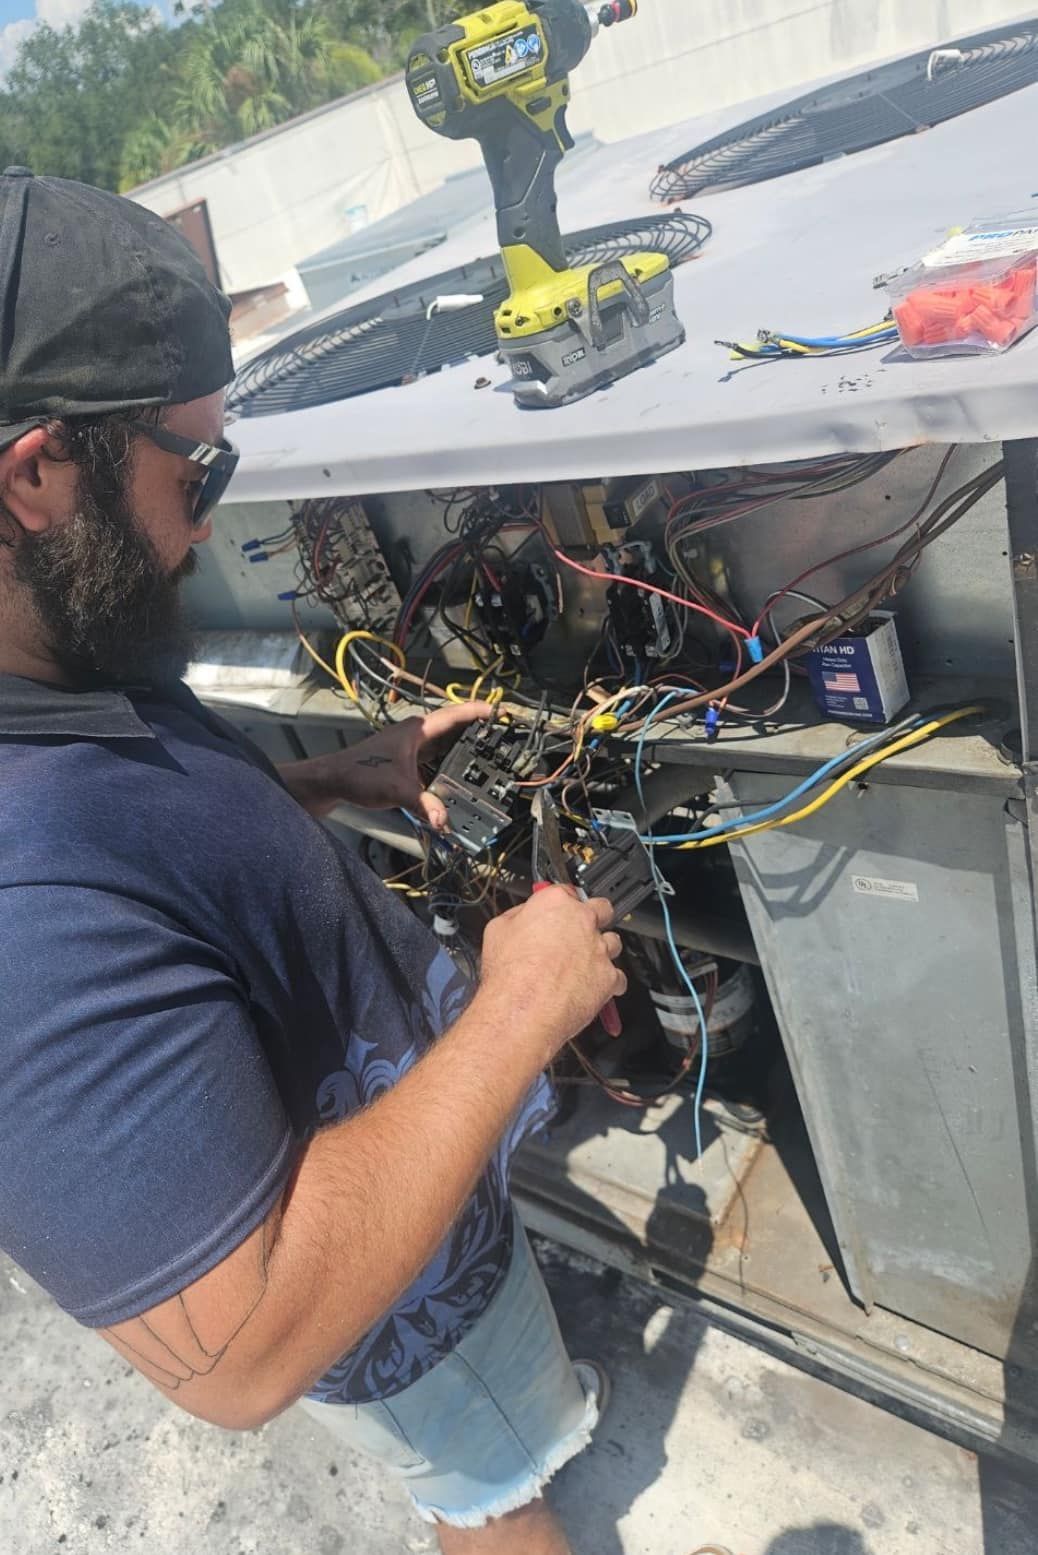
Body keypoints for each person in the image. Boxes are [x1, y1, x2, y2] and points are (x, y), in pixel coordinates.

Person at [0, 167, 626, 1555]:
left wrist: (317, 785)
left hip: (417, 1214)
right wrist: (524, 1008)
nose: (208, 521)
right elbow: (241, 1353)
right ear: (39, 473)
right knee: (492, 1481)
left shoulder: (47, 646)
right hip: (397, 1313)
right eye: (194, 469)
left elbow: (136, 862)